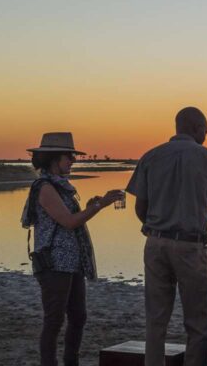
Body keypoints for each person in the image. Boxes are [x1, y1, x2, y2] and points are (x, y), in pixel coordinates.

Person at [125, 107, 207, 366]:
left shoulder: (151, 156)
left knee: (156, 321)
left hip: (156, 244)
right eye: (205, 130)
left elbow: (140, 208)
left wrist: (157, 227)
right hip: (190, 245)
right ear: (196, 128)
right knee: (197, 322)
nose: (206, 135)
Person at [21, 132, 124, 366]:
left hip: (71, 262)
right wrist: (99, 205)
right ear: (54, 159)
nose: (73, 160)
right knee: (54, 320)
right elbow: (69, 222)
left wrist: (89, 207)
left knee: (78, 317)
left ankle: (71, 361)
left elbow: (70, 220)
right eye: (69, 156)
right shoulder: (45, 187)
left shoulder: (62, 186)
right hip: (54, 264)